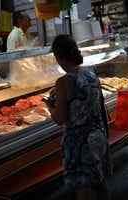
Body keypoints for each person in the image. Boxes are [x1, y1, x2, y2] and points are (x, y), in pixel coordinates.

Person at [47, 34, 112, 200]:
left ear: (58, 57)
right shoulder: (91, 72)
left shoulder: (63, 82)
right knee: (99, 179)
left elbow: (60, 118)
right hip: (98, 135)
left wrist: (50, 107)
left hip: (80, 143)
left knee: (83, 187)